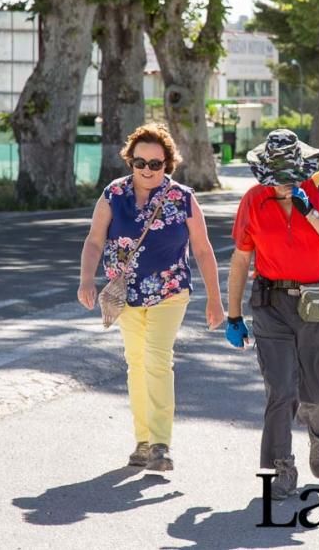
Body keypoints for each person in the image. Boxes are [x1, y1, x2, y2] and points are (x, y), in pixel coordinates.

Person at [77, 123, 225, 472]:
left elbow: (203, 251)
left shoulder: (183, 198)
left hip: (169, 292)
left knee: (157, 360)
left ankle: (160, 444)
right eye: (140, 161)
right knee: (136, 364)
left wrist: (215, 300)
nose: (147, 169)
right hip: (125, 295)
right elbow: (95, 240)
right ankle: (142, 442)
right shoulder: (114, 194)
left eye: (155, 164)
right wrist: (86, 279)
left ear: (167, 164)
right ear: (130, 161)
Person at [224, 130, 319, 500]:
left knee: (316, 396)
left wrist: (309, 211)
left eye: (288, 177)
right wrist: (232, 315)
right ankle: (282, 467)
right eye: (274, 178)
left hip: (315, 301)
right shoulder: (254, 200)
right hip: (270, 304)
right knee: (280, 390)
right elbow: (240, 259)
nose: (282, 185)